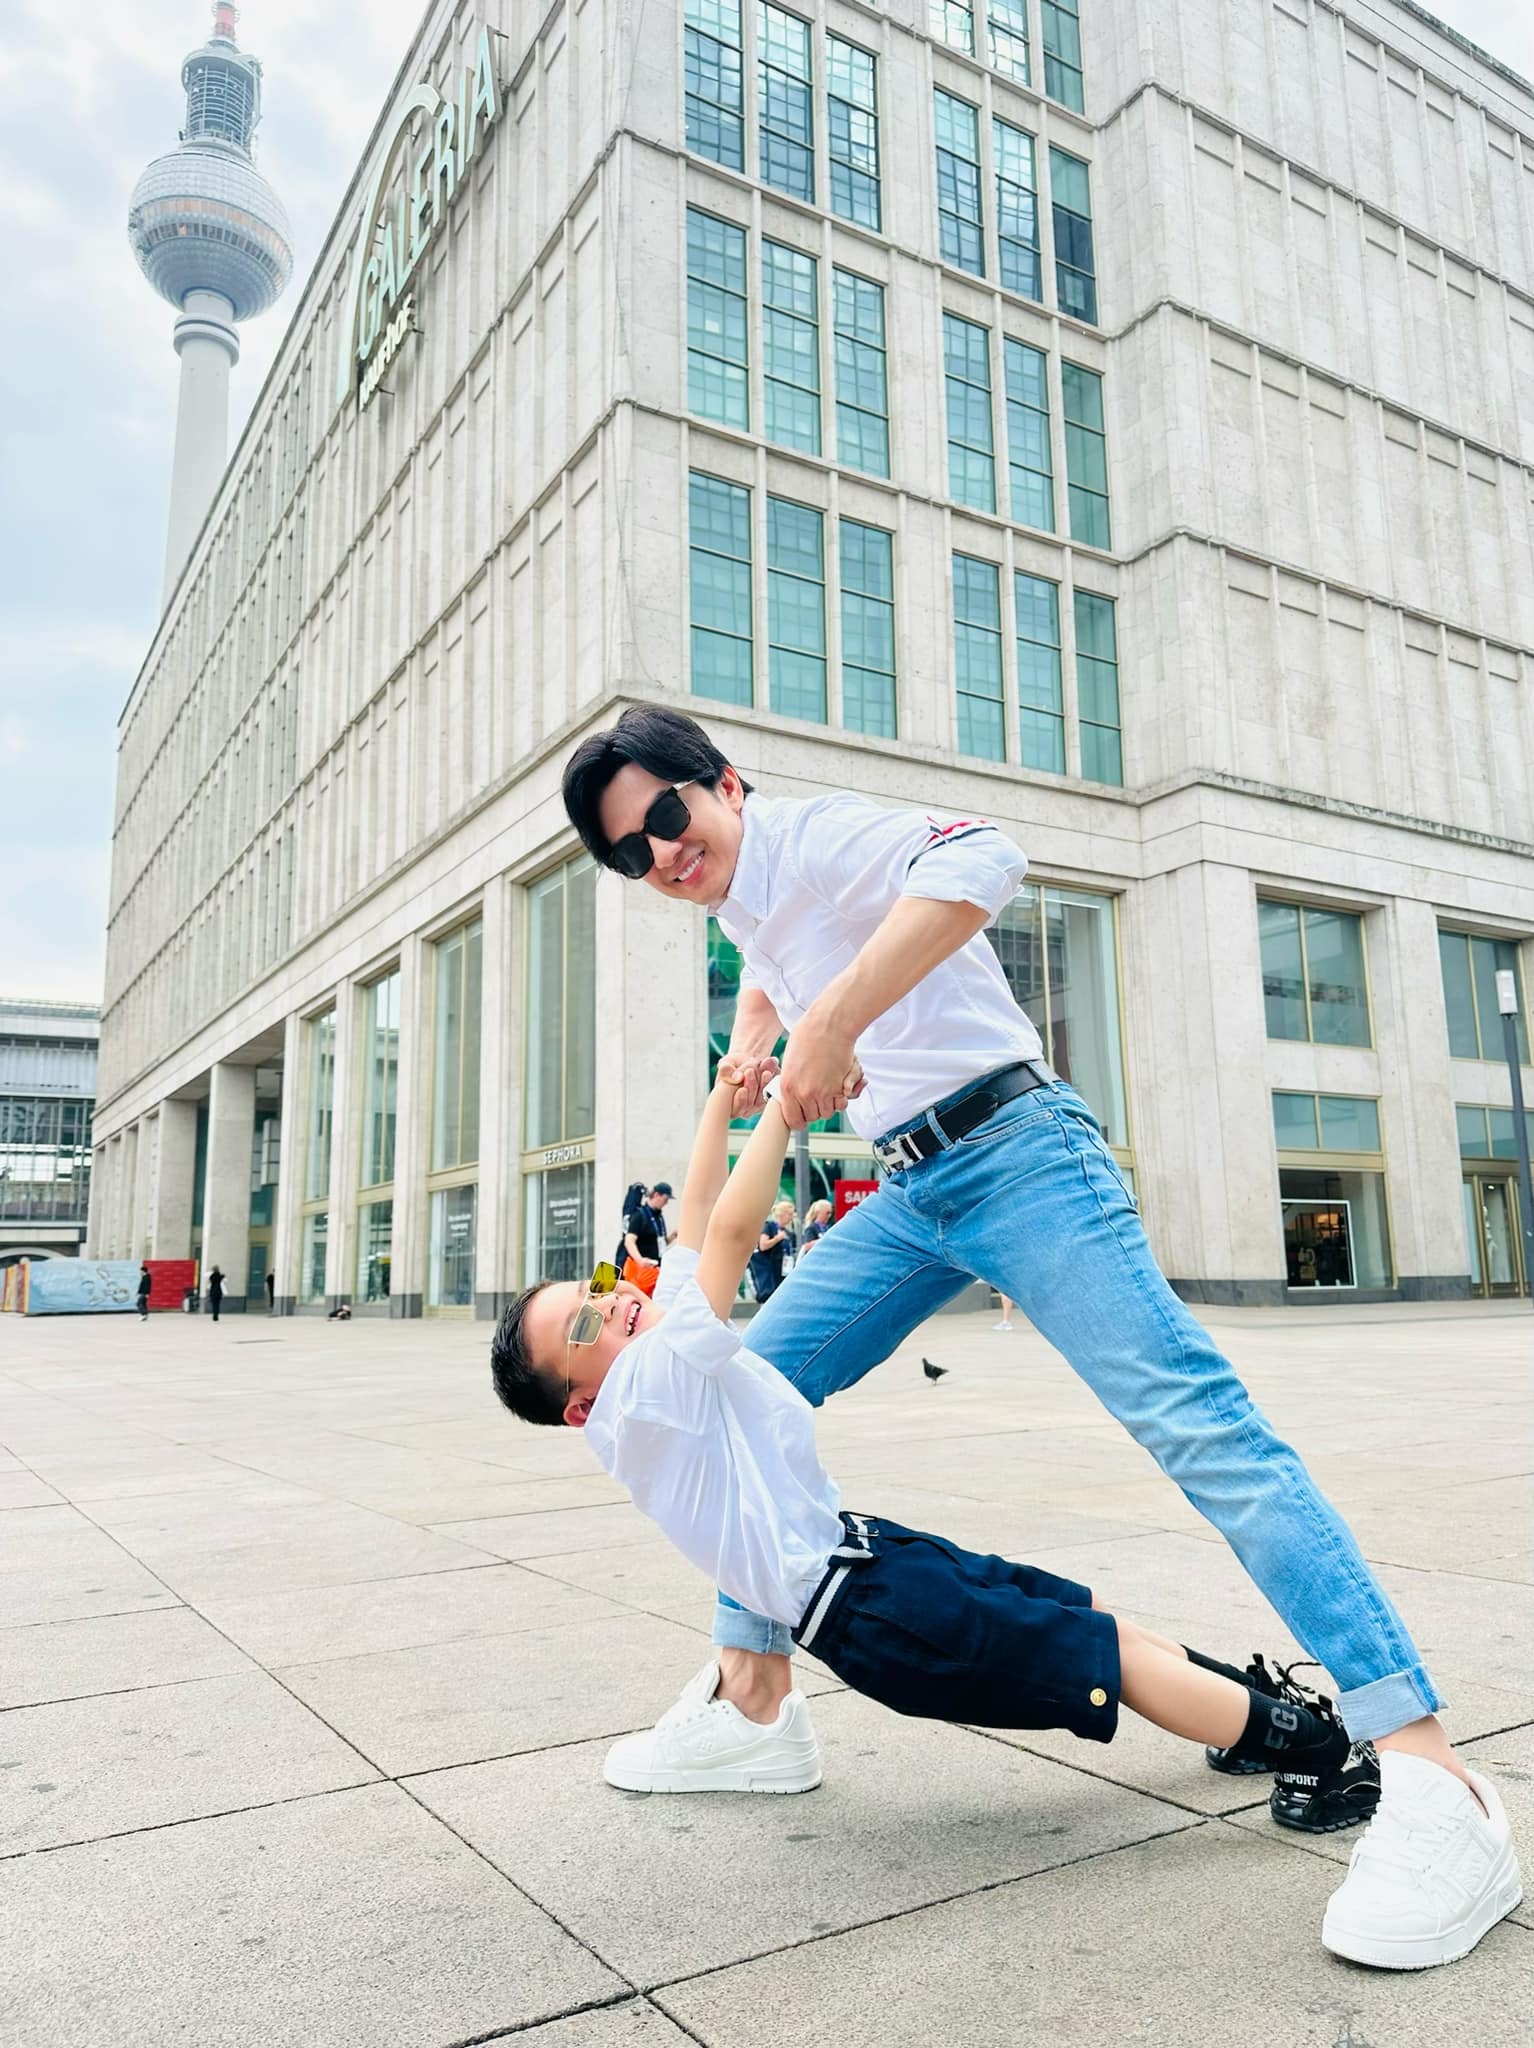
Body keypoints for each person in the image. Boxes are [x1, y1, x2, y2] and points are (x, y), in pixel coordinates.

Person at [557, 704, 1523, 1971]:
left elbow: (984, 856)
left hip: (1016, 1153)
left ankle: (1428, 1768)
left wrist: (832, 1019)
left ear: (724, 783)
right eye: (632, 854)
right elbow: (772, 953)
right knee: (741, 1391)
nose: (663, 855)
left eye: (668, 817)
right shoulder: (744, 895)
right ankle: (753, 1697)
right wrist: (758, 1031)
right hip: (910, 1191)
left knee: (1199, 1425)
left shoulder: (817, 834)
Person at [491, 1068, 1388, 1864]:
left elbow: (691, 1223)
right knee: (1096, 1654)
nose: (614, 1302)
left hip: (871, 1558)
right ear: (580, 1406)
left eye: (597, 1286)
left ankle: (1252, 1712)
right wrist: (777, 1114)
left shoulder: (649, 1371)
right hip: (876, 1614)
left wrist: (721, 1104)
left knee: (1083, 1616)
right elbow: (724, 1234)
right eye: (584, 1323)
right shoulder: (647, 1395)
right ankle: (1316, 1752)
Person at [622, 1183, 673, 1297]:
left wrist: (672, 1237)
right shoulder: (639, 1216)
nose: (666, 1203)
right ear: (656, 1195)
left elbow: (658, 1243)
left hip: (655, 1270)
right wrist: (640, 1260)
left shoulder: (659, 1217)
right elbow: (629, 1241)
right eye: (665, 1199)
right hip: (641, 1273)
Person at [747, 1198, 795, 1302]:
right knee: (769, 1296)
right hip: (770, 1269)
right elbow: (763, 1245)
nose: (791, 1217)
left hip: (782, 1269)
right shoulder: (769, 1226)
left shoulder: (787, 1232)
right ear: (781, 1214)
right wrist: (777, 1239)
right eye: (789, 1214)